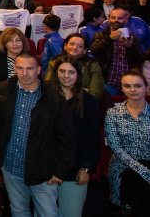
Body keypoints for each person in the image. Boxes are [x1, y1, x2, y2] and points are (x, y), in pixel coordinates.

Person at [0, 53, 74, 217]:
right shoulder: (4, 89)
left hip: (42, 170)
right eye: (20, 68)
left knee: (48, 213)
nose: (24, 73)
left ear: (38, 70)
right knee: (18, 211)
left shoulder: (54, 99)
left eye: (30, 68)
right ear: (14, 69)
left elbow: (66, 138)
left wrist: (60, 171)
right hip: (11, 166)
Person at [103, 70, 150, 212]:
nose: (132, 90)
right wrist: (144, 173)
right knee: (123, 210)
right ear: (122, 88)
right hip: (121, 173)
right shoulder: (112, 114)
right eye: (127, 86)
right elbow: (116, 147)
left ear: (146, 88)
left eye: (137, 86)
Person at [47, 55, 100, 217]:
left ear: (78, 75)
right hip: (47, 168)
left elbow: (92, 137)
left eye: (71, 72)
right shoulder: (45, 97)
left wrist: (85, 167)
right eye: (62, 71)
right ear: (56, 73)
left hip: (75, 168)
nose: (66, 76)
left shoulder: (89, 101)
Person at [92, 7, 144, 96]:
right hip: (108, 82)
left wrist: (130, 47)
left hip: (128, 84)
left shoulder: (132, 38)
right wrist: (109, 39)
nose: (116, 20)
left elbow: (140, 59)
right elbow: (95, 51)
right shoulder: (101, 35)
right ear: (109, 19)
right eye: (113, 17)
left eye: (120, 18)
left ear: (126, 20)